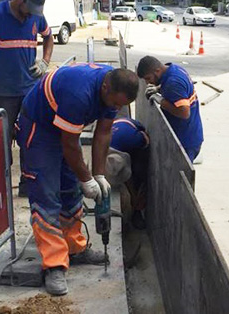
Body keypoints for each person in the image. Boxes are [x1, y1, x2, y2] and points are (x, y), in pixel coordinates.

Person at [16, 64, 139, 296]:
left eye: (121, 105)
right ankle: (54, 265)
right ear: (105, 88)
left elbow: (103, 133)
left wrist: (99, 175)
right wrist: (86, 178)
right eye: (115, 104)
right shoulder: (79, 93)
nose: (117, 108)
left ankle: (74, 248)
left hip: (64, 129)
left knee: (70, 190)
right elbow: (70, 144)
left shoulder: (114, 91)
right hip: (40, 128)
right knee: (47, 194)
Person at [0, 0, 54, 196]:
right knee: (2, 138)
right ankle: (1, 185)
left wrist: (45, 61)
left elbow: (48, 37)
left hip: (30, 88)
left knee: (30, 136)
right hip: (3, 91)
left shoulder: (36, 16)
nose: (31, 15)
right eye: (30, 9)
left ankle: (28, 183)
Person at [136, 56, 203, 162]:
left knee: (178, 176)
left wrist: (160, 100)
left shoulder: (173, 82)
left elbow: (184, 112)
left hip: (184, 141)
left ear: (157, 71)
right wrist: (158, 88)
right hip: (189, 135)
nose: (148, 83)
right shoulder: (174, 69)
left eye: (148, 78)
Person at [109, 118, 150, 229]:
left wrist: (134, 196)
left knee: (139, 170)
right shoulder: (100, 147)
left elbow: (146, 140)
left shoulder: (134, 139)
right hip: (119, 133)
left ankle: (138, 211)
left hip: (134, 132)